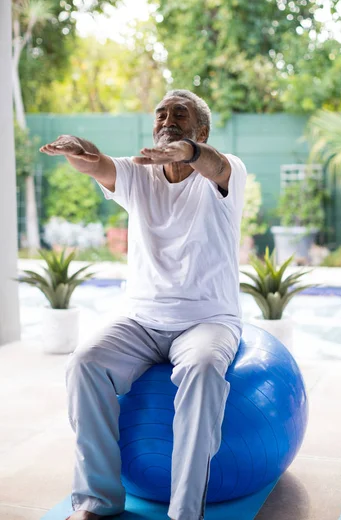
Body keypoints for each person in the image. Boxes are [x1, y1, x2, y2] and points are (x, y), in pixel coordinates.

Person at [39, 89, 247, 520]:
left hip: (208, 320)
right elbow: (97, 164)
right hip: (139, 318)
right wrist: (78, 152)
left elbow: (212, 163)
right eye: (162, 113)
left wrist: (187, 152)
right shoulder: (139, 173)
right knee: (85, 363)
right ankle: (97, 501)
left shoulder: (224, 174)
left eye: (180, 114)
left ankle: (185, 513)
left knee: (204, 368)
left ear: (201, 131)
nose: (168, 119)